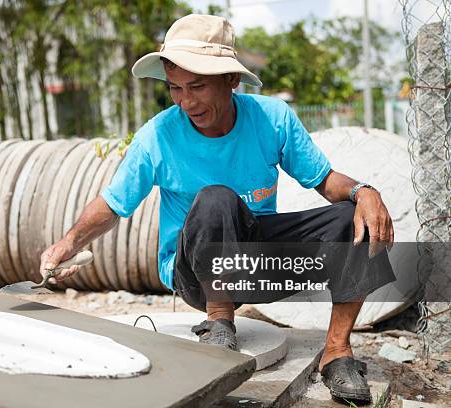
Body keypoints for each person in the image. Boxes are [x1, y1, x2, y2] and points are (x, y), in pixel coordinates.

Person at [39, 14, 396, 403]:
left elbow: (325, 180)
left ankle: (337, 353)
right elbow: (113, 203)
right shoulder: (158, 136)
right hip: (195, 275)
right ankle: (219, 322)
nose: (186, 101)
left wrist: (364, 192)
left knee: (352, 218)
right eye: (175, 88)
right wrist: (67, 244)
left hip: (257, 266)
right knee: (215, 197)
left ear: (231, 80)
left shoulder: (271, 118)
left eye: (197, 86)